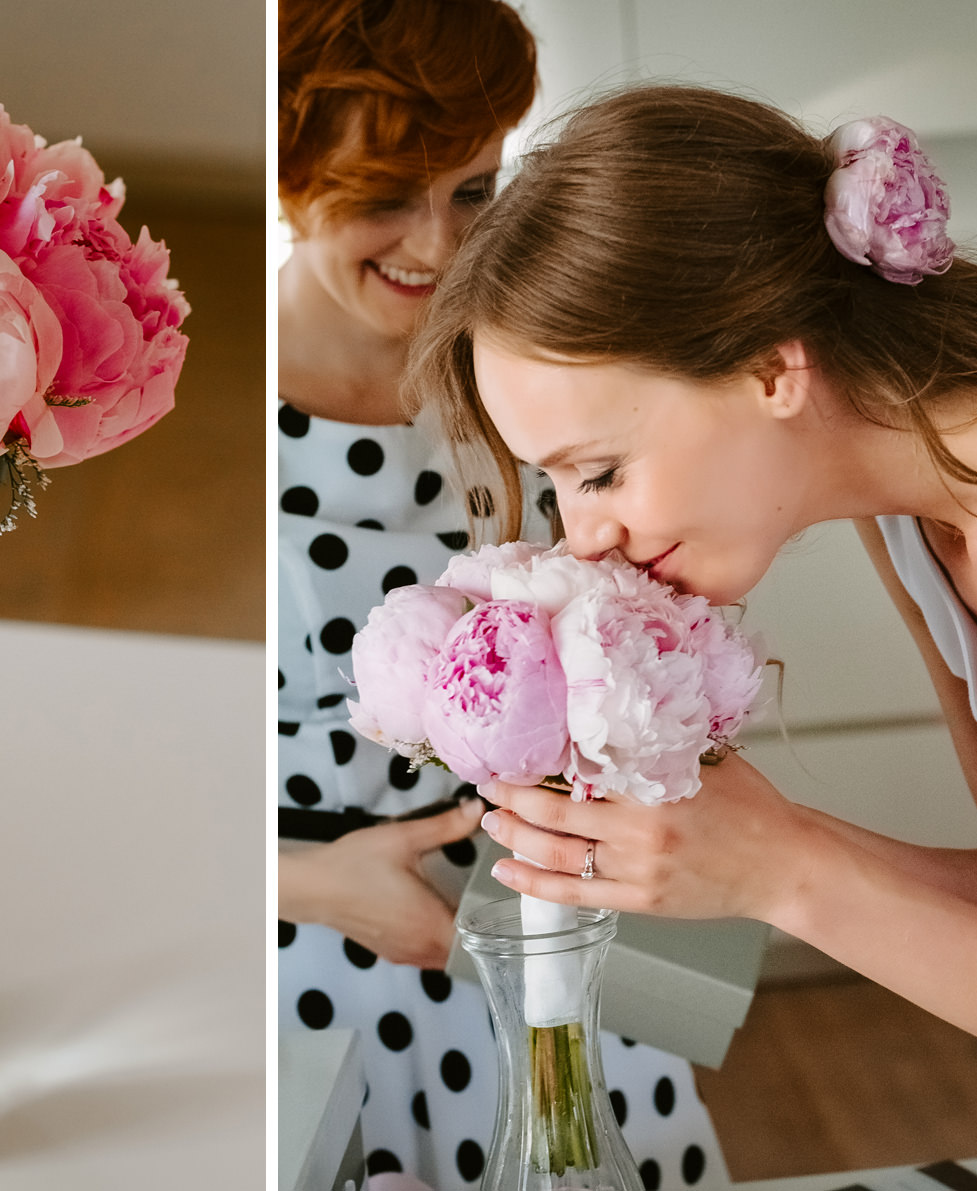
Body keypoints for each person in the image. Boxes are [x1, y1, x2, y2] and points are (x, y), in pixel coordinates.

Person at [410, 82, 977, 1075]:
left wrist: (788, 873)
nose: (581, 538)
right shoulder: (911, 517)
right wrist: (763, 846)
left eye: (599, 472)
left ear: (771, 369)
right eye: (554, 485)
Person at [278, 8, 732, 1187]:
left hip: (541, 933)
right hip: (311, 948)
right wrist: (314, 884)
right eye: (384, 194)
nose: (436, 243)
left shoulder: (527, 375)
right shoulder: (218, 408)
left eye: (472, 188)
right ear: (290, 175)